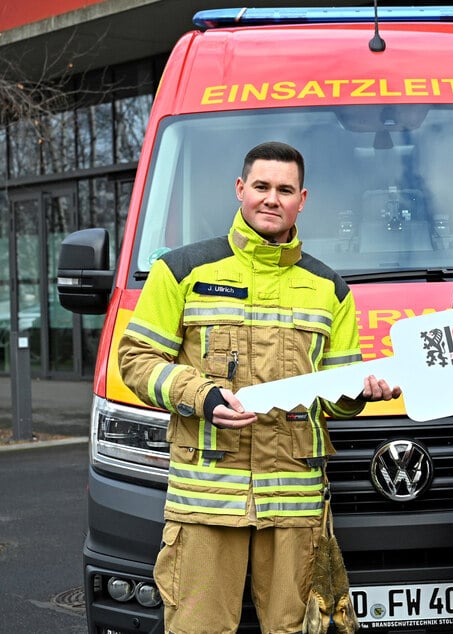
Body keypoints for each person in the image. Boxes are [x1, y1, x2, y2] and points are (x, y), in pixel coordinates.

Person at [118, 141, 400, 633]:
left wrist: (361, 393)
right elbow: (135, 360)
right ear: (240, 189)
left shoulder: (330, 288)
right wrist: (201, 396)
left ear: (302, 199)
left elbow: (336, 392)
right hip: (207, 502)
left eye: (285, 190)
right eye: (262, 187)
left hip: (296, 506)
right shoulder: (182, 271)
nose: (272, 199)